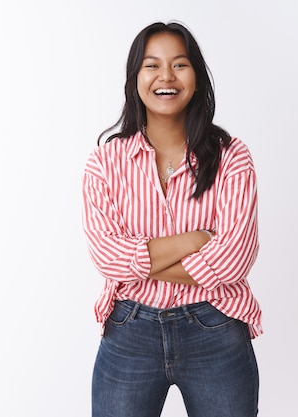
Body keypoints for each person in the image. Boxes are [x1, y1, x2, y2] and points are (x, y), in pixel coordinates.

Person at [82, 21, 262, 417]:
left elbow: (234, 260)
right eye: (152, 65)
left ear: (196, 78)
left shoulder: (232, 157)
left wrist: (139, 263)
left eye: (179, 64)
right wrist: (194, 240)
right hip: (129, 330)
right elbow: (106, 258)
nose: (166, 76)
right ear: (135, 80)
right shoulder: (105, 163)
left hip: (216, 327)